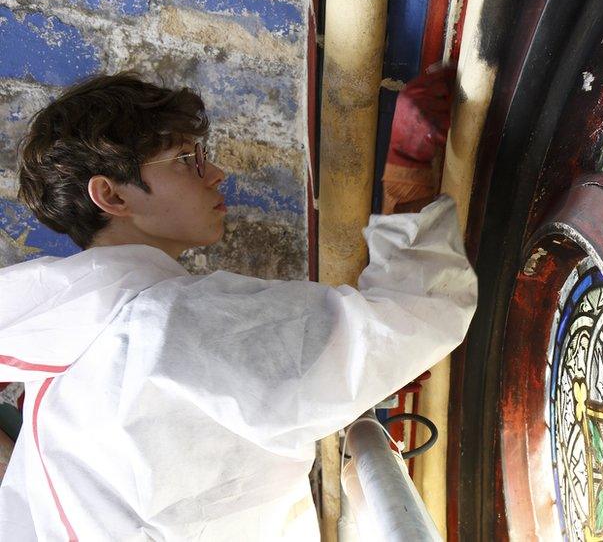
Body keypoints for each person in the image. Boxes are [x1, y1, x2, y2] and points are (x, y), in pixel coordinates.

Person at [0, 70, 476, 540]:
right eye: (186, 159)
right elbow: (415, 314)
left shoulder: (64, 350)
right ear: (112, 194)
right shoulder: (162, 323)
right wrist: (409, 180)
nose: (216, 174)